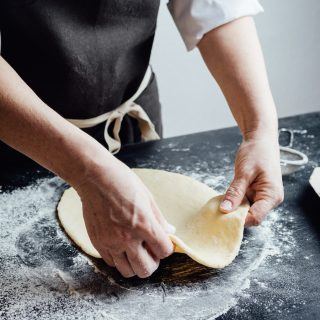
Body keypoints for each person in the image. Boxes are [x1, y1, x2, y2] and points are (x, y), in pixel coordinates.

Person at [0, 0, 284, 278]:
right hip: (18, 132)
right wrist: (90, 173)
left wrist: (259, 131)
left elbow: (216, 8)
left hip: (132, 121)